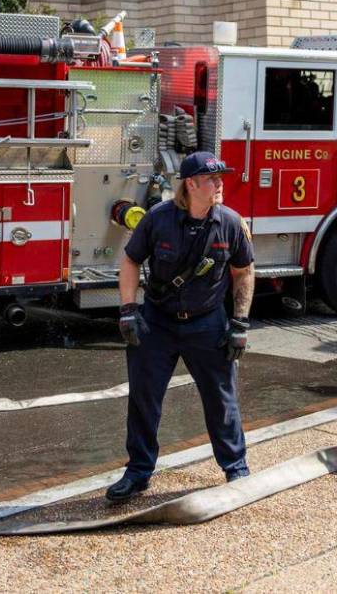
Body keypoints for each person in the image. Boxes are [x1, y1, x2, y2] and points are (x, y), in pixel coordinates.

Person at [105, 151, 255, 504]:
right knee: (144, 398)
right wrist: (128, 310)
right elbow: (130, 260)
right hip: (157, 322)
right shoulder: (158, 219)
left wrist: (240, 323)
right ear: (191, 184)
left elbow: (243, 271)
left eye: (221, 178)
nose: (220, 185)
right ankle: (138, 473)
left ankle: (236, 469)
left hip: (207, 323)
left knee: (221, 400)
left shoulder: (230, 223)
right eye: (212, 179)